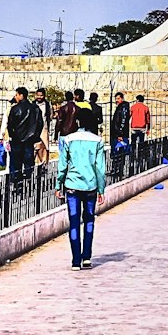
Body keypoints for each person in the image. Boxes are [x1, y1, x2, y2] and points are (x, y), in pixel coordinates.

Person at [56, 106, 106, 270]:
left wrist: (58, 185)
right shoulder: (97, 141)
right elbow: (100, 168)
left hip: (72, 186)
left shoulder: (68, 140)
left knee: (74, 221)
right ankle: (87, 257)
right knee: (89, 220)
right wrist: (101, 189)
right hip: (91, 186)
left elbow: (63, 165)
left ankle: (76, 260)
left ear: (77, 121)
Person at [6, 86, 43, 193]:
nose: (15, 97)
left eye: (16, 95)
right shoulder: (35, 109)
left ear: (21, 95)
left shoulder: (15, 109)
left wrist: (13, 136)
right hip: (29, 141)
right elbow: (40, 124)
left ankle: (18, 183)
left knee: (16, 163)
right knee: (28, 162)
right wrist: (35, 137)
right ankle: (27, 181)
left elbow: (10, 125)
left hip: (17, 141)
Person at [110, 91, 131, 177]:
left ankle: (118, 170)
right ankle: (116, 169)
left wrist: (120, 134)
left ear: (122, 98)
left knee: (119, 153)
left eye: (118, 98)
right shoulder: (120, 107)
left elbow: (122, 121)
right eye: (116, 99)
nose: (116, 100)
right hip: (118, 134)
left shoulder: (123, 108)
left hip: (120, 135)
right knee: (117, 153)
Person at [33, 88, 54, 164]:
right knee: (35, 148)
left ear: (44, 96)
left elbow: (50, 116)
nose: (39, 97)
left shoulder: (47, 105)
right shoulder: (32, 105)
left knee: (44, 148)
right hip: (34, 129)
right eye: (37, 95)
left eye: (41, 95)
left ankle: (43, 166)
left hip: (44, 129)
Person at [129, 94, 151, 159]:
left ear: (137, 100)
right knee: (141, 141)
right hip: (142, 127)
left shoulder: (133, 107)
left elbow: (129, 116)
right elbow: (148, 120)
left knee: (133, 141)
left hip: (134, 127)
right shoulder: (146, 108)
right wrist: (148, 129)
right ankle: (140, 155)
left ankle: (132, 154)